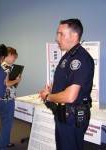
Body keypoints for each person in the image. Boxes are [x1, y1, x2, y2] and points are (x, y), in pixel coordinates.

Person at [39, 19, 94, 150]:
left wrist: (48, 96)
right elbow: (68, 84)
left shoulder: (79, 58)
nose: (57, 38)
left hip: (72, 117)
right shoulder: (69, 56)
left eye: (61, 34)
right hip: (64, 115)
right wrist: (53, 90)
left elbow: (70, 96)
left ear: (74, 35)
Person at [0, 47, 21, 150]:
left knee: (5, 122)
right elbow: (7, 83)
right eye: (14, 57)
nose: (14, 59)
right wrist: (17, 80)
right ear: (9, 55)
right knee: (7, 124)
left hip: (1, 99)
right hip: (7, 100)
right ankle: (0, 147)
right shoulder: (6, 67)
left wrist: (16, 81)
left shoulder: (1, 65)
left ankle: (6, 142)